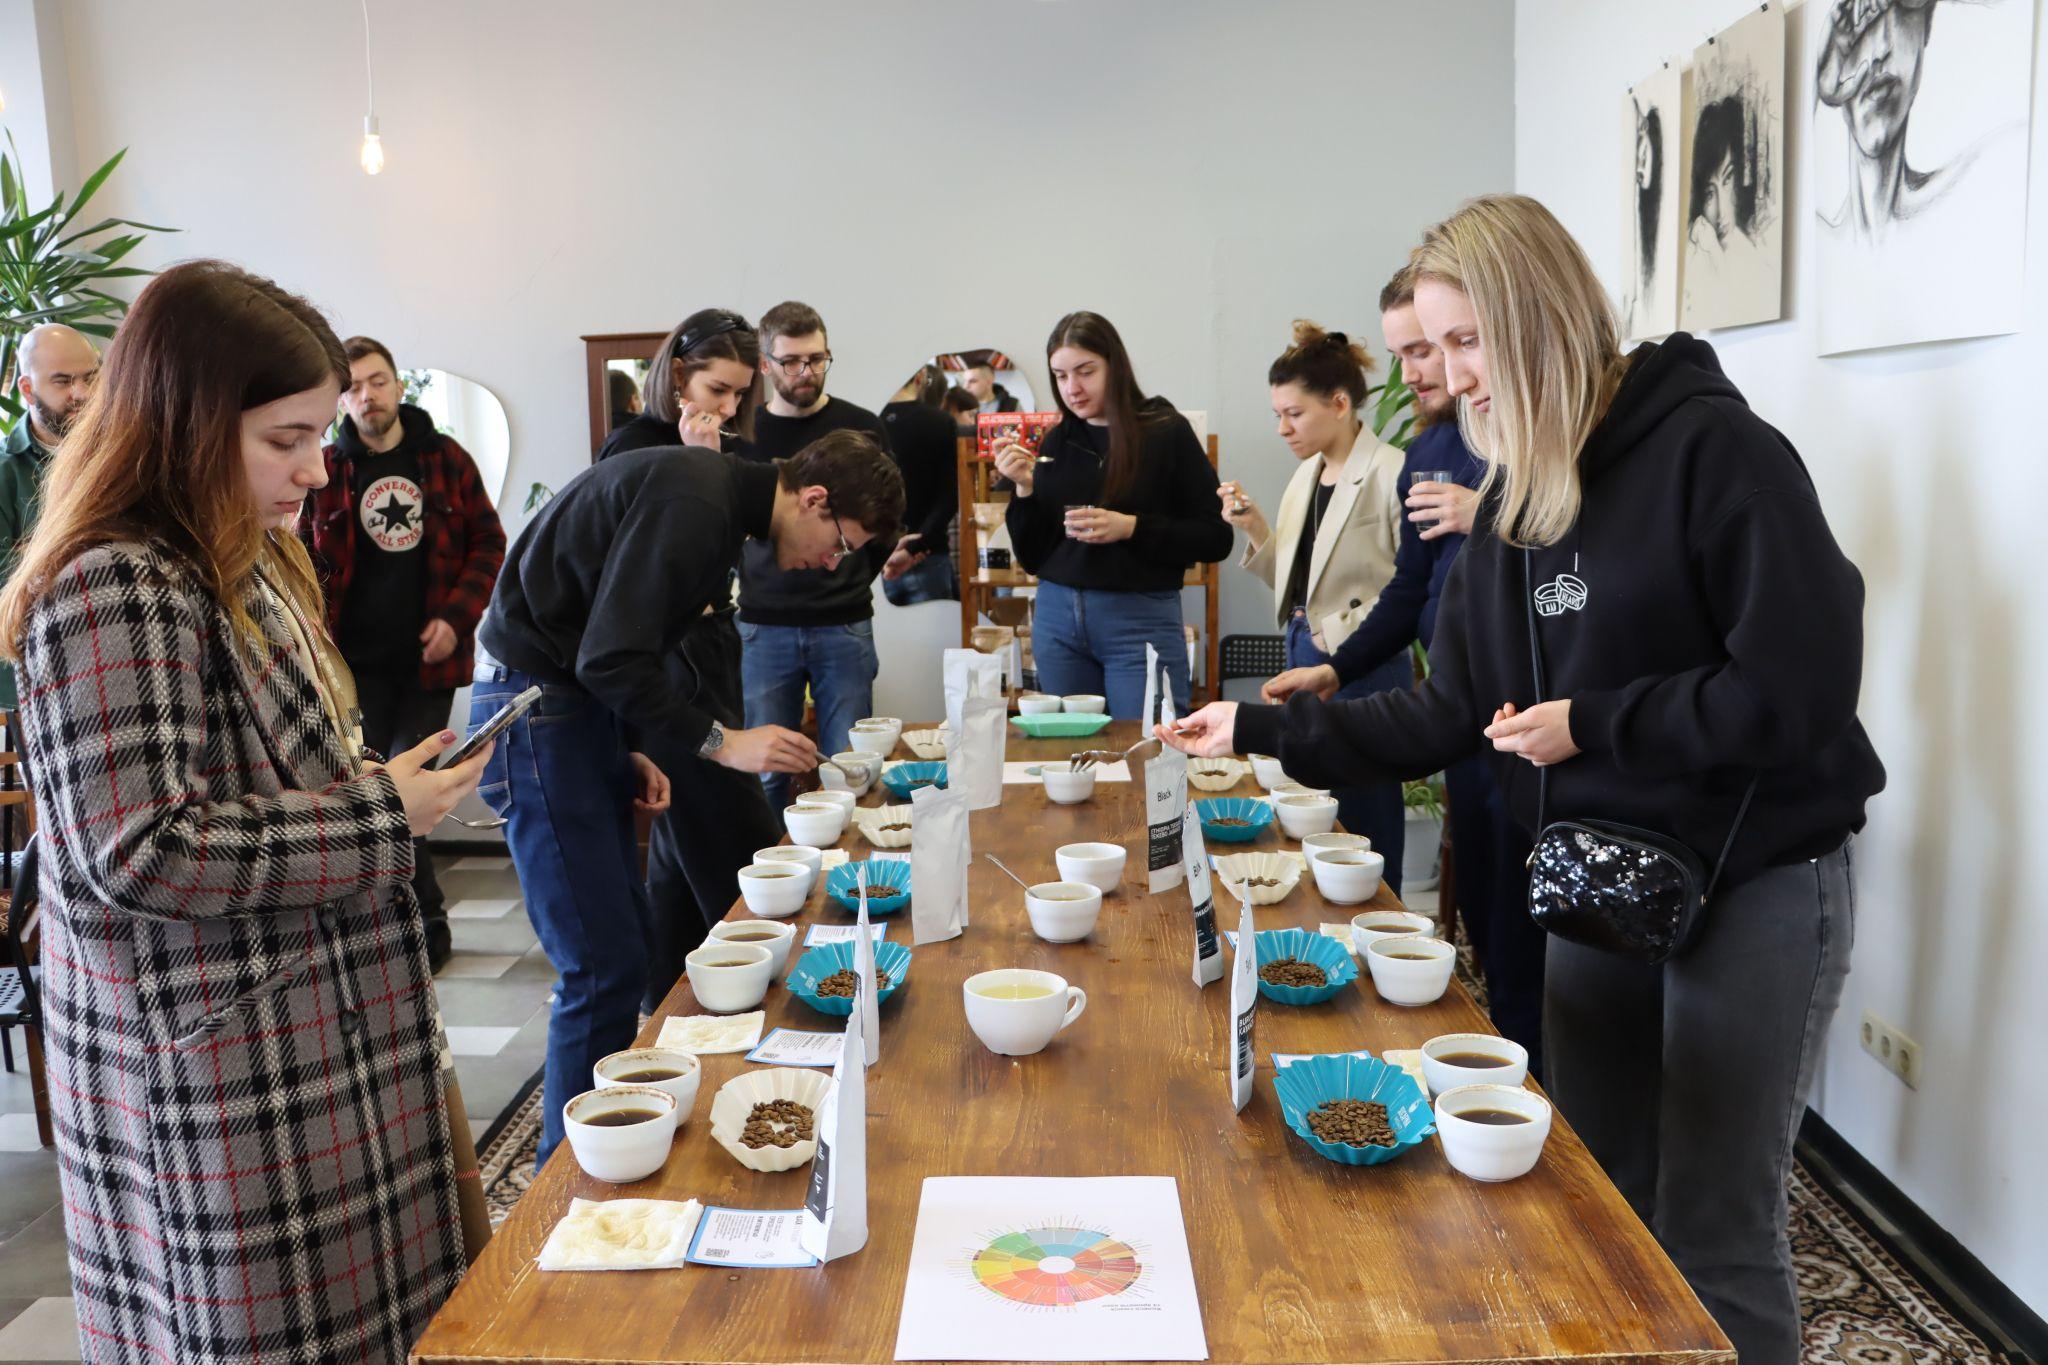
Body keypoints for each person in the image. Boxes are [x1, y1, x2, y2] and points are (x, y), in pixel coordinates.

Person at [1161, 195, 1883, 1365]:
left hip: (1754, 881)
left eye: (1464, 342)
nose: (1445, 377)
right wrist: (1249, 724)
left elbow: (1795, 694)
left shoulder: (1717, 454)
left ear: (1541, 316)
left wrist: (1591, 725)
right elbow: (1450, 713)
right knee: (1593, 1201)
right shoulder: (1505, 506)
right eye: (1424, 350)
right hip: (1601, 881)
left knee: (1713, 1230)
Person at [0, 260, 491, 1363]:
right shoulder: (114, 580)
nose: (317, 469)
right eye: (285, 439)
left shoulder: (246, 556)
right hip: (221, 1068)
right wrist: (383, 818)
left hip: (306, 1028)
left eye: (319, 434)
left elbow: (274, 764)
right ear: (183, 421)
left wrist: (378, 782)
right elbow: (136, 850)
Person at [476, 428, 902, 1165]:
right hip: (535, 709)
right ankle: (562, 1179)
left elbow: (613, 645)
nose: (833, 563)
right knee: (599, 962)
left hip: (573, 707)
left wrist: (632, 742)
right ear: (814, 498)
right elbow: (609, 654)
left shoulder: (714, 504)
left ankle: (596, 1149)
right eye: (840, 542)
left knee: (626, 945)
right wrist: (721, 741)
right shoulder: (695, 501)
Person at [1261, 267, 1545, 1068]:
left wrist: (1485, 510)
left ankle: (1537, 1105)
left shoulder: (1520, 440)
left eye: (1435, 347)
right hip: (1460, 708)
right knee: (1489, 913)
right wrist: (1336, 669)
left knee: (1526, 932)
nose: (1423, 372)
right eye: (1409, 352)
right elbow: (1410, 586)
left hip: (1529, 714)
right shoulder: (1431, 443)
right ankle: (1500, 1062)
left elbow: (1576, 535)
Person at [301, 336, 506, 972]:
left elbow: (488, 545)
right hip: (350, 668)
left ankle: (427, 924)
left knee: (409, 784)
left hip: (428, 665)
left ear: (398, 386)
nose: (368, 395)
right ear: (344, 398)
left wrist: (456, 616)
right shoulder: (326, 466)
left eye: (378, 381)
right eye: (355, 386)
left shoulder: (446, 459)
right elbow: (302, 556)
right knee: (370, 792)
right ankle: (391, 929)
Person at [595, 309, 781, 1008]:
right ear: (677, 376)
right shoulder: (635, 443)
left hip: (713, 645)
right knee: (735, 839)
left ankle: (661, 1006)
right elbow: (632, 570)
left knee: (680, 852)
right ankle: (759, 992)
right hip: (669, 661)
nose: (728, 407)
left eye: (738, 395)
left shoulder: (715, 445)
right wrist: (695, 463)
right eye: (717, 389)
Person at [1214, 320, 1408, 890]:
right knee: (1314, 804)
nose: (1282, 428)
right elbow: (1300, 583)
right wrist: (1254, 528)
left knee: (1366, 812)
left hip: (1366, 660)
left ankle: (1381, 917)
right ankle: (1331, 918)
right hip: (1305, 645)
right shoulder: (1306, 475)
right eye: (1278, 415)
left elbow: (1414, 589)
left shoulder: (1391, 470)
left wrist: (1337, 629)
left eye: (1293, 414)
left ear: (1341, 403)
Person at [998, 313, 1229, 717]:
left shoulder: (1163, 431)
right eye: (1060, 375)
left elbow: (1215, 537)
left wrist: (1132, 527)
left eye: (1085, 372)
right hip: (1057, 621)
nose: (1072, 388)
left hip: (1139, 622)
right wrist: (1024, 490)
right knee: (1071, 760)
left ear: (1114, 366)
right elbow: (1034, 558)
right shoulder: (1059, 440)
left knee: (1148, 756)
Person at [739, 301, 900, 809]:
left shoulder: (862, 426)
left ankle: (850, 878)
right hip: (764, 624)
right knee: (763, 771)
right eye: (791, 361)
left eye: (817, 358)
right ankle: (765, 880)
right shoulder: (743, 434)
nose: (805, 372)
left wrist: (850, 572)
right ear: (765, 364)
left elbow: (886, 521)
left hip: (844, 622)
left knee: (850, 765)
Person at [0, 324, 98, 710]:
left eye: (91, 377)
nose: (83, 393)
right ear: (27, 389)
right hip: (34, 679)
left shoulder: (124, 457)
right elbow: (9, 593)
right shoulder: (6, 473)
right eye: (63, 382)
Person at [881, 362, 963, 606]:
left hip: (872, 559)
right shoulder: (941, 422)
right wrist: (916, 546)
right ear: (920, 376)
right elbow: (950, 496)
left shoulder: (865, 420)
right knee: (939, 644)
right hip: (929, 553)